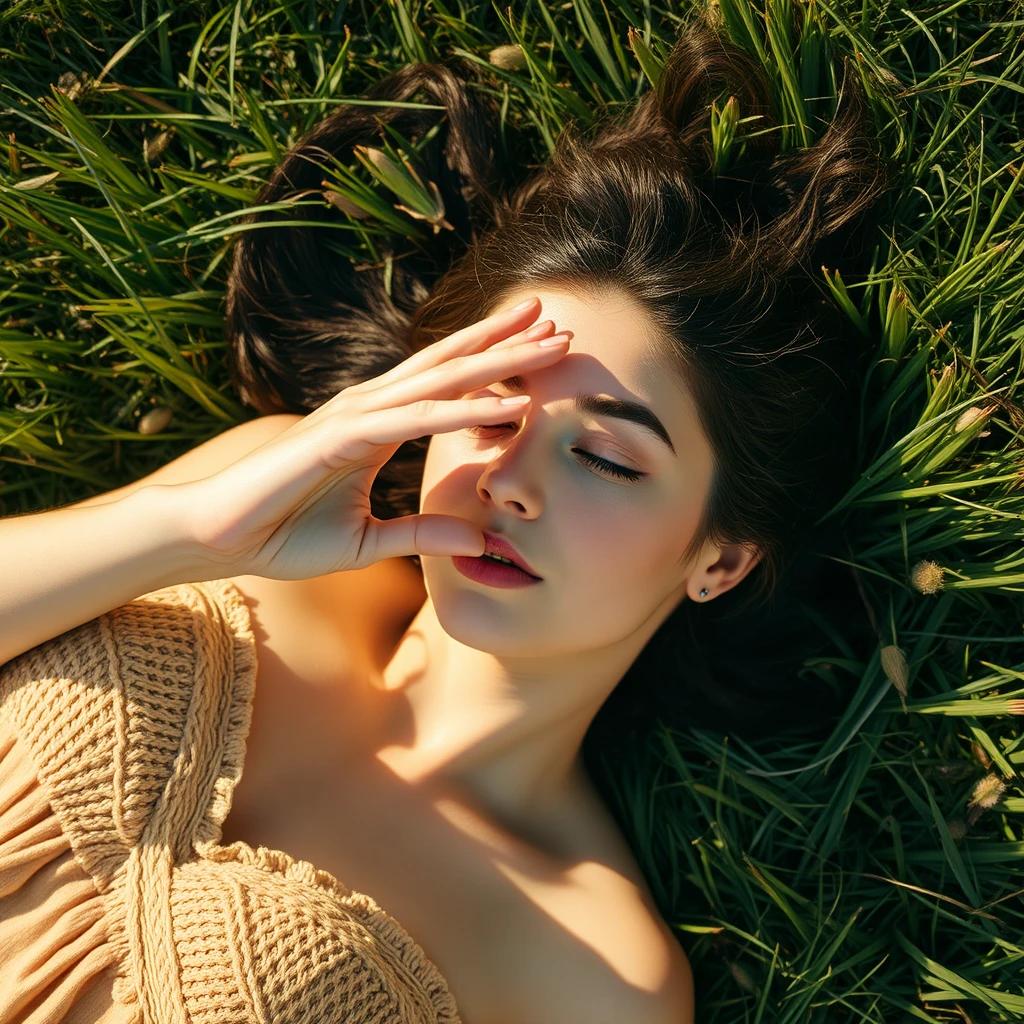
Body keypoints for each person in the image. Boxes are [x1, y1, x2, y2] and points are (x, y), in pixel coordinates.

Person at [0, 10, 891, 1024]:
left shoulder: (596, 973)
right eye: (492, 407)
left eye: (603, 455)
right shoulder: (251, 504)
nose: (510, 476)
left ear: (719, 562)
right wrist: (188, 528)